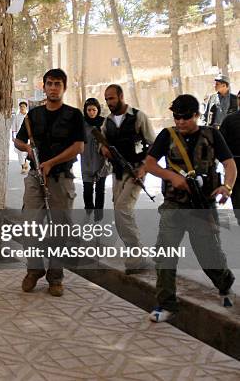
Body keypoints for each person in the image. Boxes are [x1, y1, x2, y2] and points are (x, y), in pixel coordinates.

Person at [144, 94, 236, 322]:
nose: (181, 122)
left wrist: (227, 186)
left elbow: (229, 164)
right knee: (165, 255)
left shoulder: (212, 135)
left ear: (196, 115)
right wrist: (169, 176)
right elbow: (149, 163)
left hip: (202, 206)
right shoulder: (168, 135)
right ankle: (166, 303)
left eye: (186, 117)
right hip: (174, 205)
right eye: (177, 117)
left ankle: (224, 282)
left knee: (208, 255)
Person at [14, 69, 84, 297]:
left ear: (64, 88)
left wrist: (52, 162)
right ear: (43, 87)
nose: (53, 87)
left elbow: (78, 147)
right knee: (30, 226)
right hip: (35, 177)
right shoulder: (33, 116)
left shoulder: (73, 115)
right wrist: (26, 148)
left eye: (58, 84)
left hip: (61, 178)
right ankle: (34, 269)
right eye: (50, 83)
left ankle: (55, 277)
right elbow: (19, 140)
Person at [100, 84, 156, 274]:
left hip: (135, 171)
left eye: (112, 98)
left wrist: (143, 168)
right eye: (107, 99)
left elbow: (154, 146)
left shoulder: (138, 117)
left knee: (123, 210)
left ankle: (137, 256)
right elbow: (101, 142)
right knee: (119, 213)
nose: (109, 102)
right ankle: (135, 254)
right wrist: (104, 149)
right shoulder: (107, 121)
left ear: (121, 96)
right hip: (117, 173)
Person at [81, 98, 110, 218]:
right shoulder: (81, 124)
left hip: (101, 164)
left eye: (94, 109)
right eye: (89, 110)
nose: (91, 112)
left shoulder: (104, 123)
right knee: (87, 191)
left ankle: (98, 217)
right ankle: (88, 210)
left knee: (100, 191)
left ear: (98, 110)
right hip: (86, 162)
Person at [11, 101, 29, 174]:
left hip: (29, 138)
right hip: (20, 137)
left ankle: (26, 164)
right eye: (21, 107)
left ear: (26, 107)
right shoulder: (17, 117)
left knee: (28, 153)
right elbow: (13, 128)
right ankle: (23, 167)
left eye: (23, 107)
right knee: (20, 152)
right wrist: (13, 137)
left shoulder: (29, 116)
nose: (22, 108)